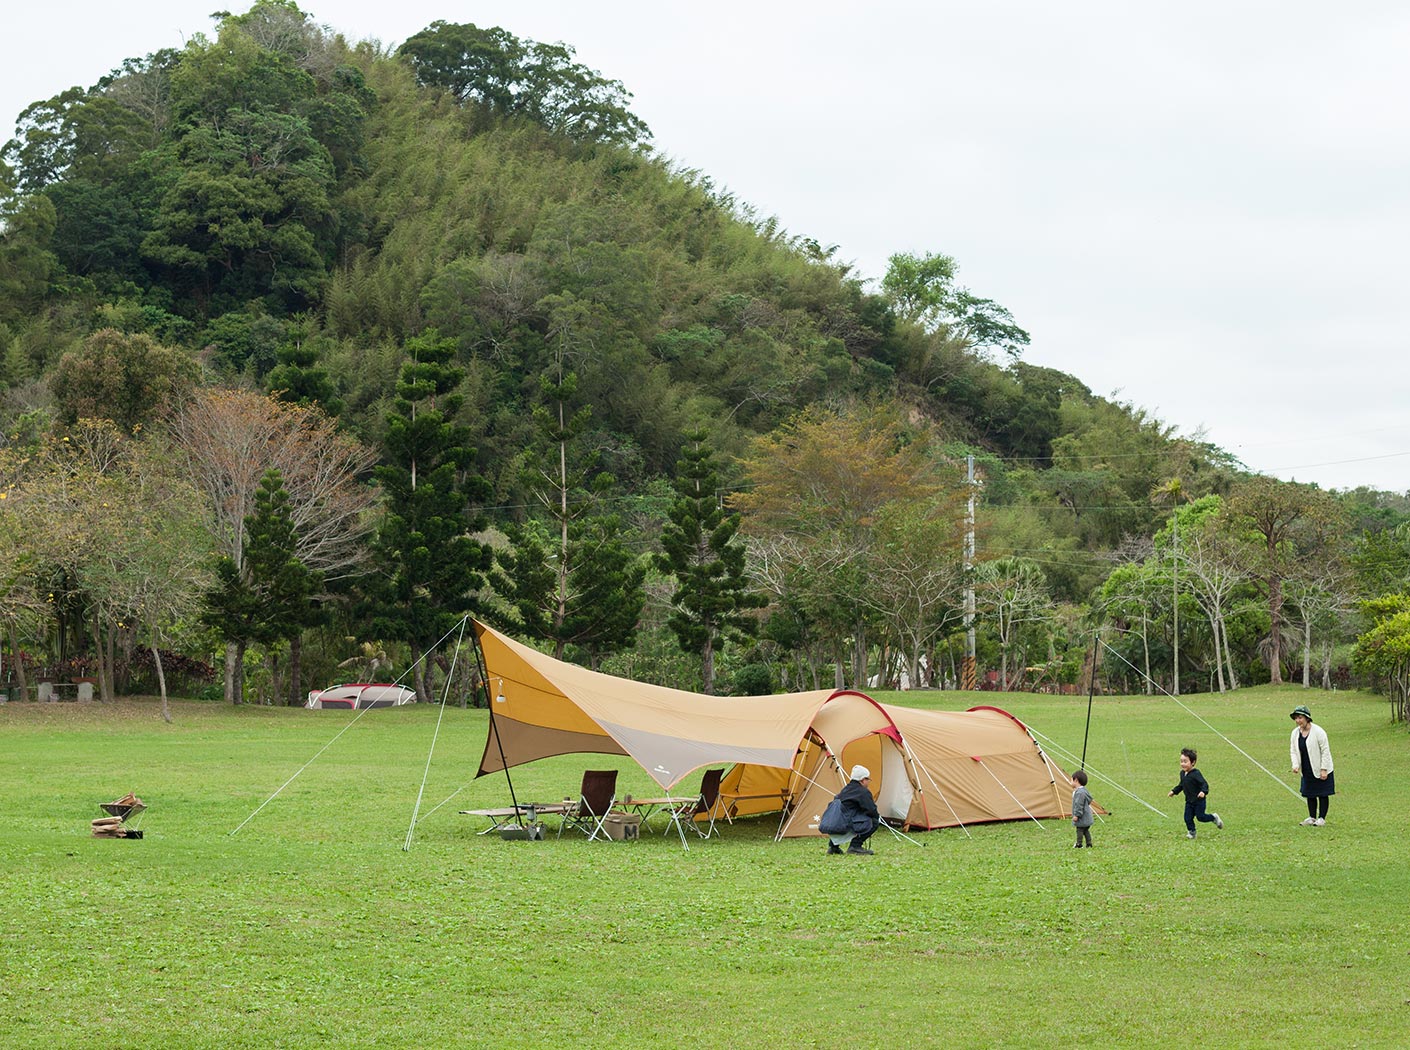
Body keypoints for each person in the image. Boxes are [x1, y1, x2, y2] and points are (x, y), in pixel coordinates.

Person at [1290, 705, 1335, 826]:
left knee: (1322, 793)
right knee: (1309, 793)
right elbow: (1293, 750)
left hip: (1321, 767)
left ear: (1307, 718)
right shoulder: (1295, 733)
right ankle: (1312, 817)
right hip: (1306, 767)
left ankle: (1322, 818)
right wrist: (1295, 765)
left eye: (1300, 718)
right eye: (1296, 718)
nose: (1298, 721)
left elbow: (1325, 751)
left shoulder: (1319, 732)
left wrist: (1324, 769)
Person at [1167, 747, 1223, 839]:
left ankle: (1214, 817)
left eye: (1185, 761)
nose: (1183, 764)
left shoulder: (1196, 774)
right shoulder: (1182, 773)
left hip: (1199, 801)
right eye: (1181, 761)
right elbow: (1181, 785)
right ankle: (1192, 832)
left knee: (1200, 817)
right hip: (1189, 801)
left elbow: (1204, 784)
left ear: (1192, 762)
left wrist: (1203, 792)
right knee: (1187, 818)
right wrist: (1174, 791)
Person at [827, 764, 879, 856]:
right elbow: (871, 810)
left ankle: (833, 847)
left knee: (844, 818)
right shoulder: (863, 792)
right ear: (863, 780)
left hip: (834, 823)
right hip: (845, 823)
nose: (868, 782)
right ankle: (855, 846)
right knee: (874, 821)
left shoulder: (846, 789)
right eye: (868, 779)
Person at [1071, 769, 1094, 848]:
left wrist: (1076, 815)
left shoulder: (1080, 793)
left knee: (1080, 830)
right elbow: (1090, 800)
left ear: (1076, 780)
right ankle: (1089, 843)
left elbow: (1078, 805)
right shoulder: (1084, 791)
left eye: (1072, 780)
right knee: (1086, 830)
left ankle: (1079, 843)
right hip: (1087, 816)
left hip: (1082, 817)